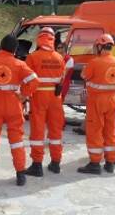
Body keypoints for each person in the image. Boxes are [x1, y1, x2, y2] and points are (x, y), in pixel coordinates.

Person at [0, 34, 39, 186]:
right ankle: (20, 174)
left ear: (1, 46)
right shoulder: (19, 64)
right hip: (13, 105)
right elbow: (34, 80)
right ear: (15, 49)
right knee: (17, 141)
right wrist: (24, 95)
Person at [24, 27, 66, 176]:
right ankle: (56, 162)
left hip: (39, 96)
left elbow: (27, 80)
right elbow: (62, 78)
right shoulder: (59, 57)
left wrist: (23, 96)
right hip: (55, 97)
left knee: (38, 130)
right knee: (55, 131)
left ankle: (37, 164)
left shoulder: (33, 57)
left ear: (39, 39)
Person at [77, 34, 115, 175]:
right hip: (113, 99)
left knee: (95, 129)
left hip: (97, 100)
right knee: (110, 129)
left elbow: (84, 75)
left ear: (101, 46)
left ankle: (95, 163)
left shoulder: (94, 62)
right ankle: (110, 162)